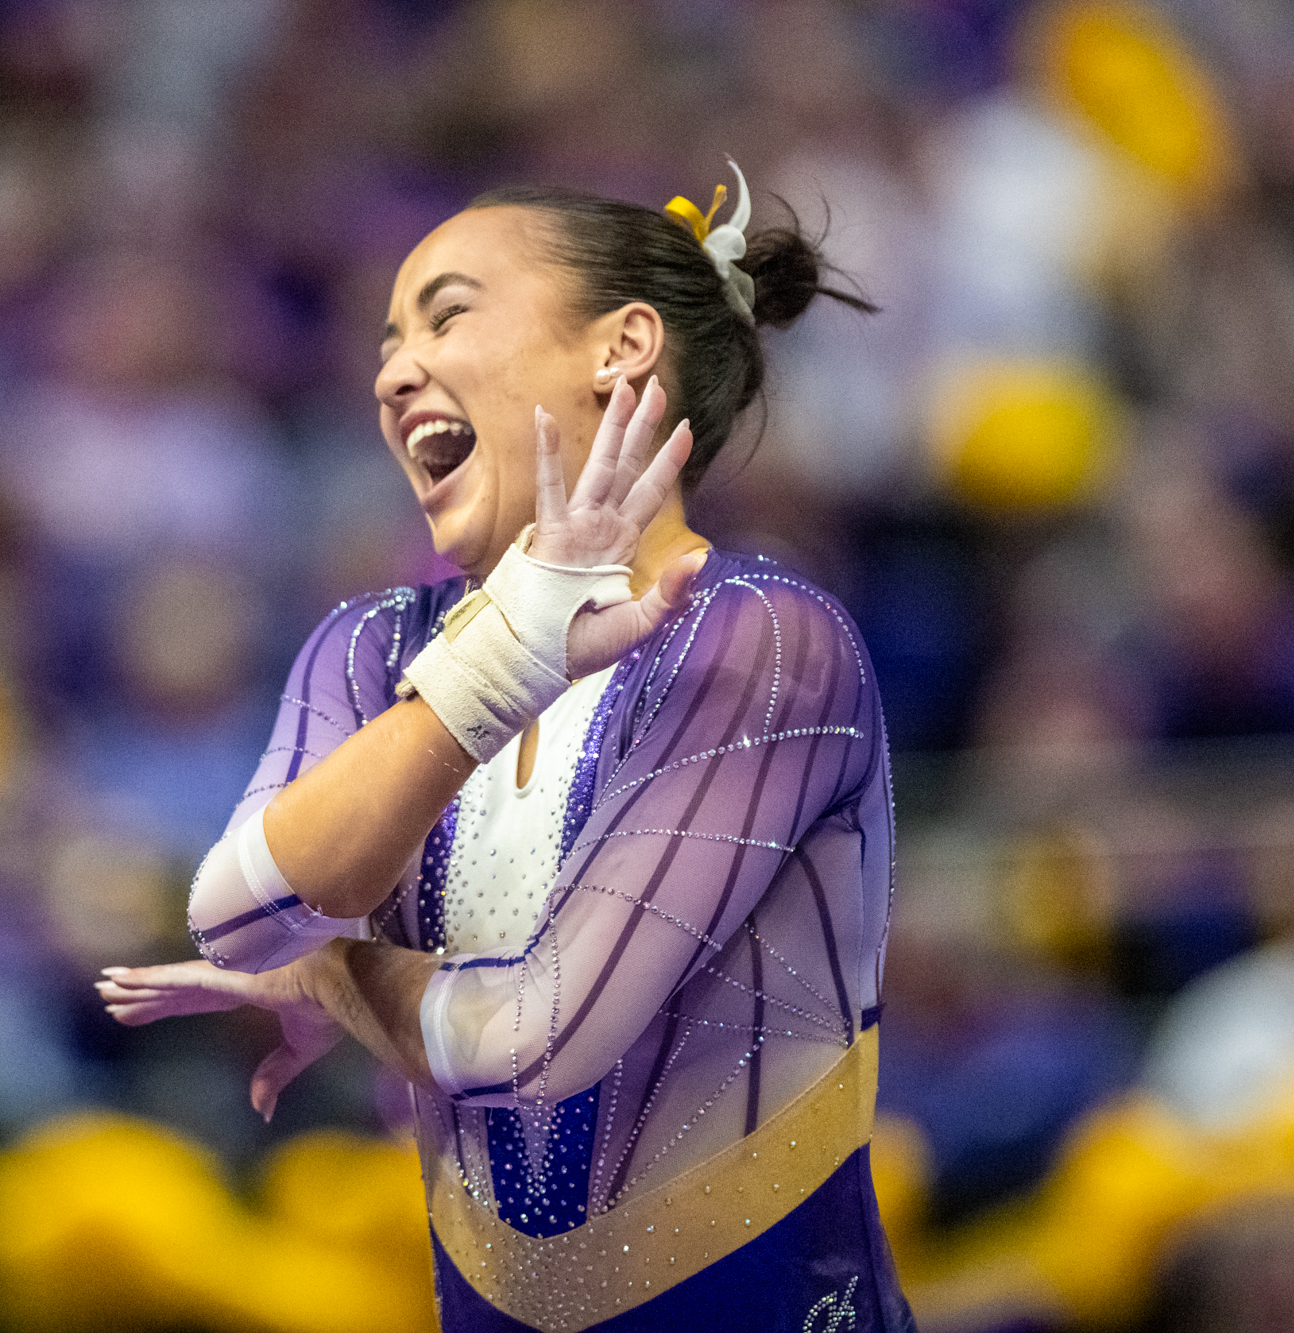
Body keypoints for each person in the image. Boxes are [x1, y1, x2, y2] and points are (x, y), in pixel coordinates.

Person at [97, 163, 914, 1332]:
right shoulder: (372, 648)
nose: (391, 372)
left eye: (448, 313)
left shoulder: (763, 643)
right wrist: (507, 657)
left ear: (621, 348)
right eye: (386, 340)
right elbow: (234, 912)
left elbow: (537, 1038)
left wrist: (333, 968)